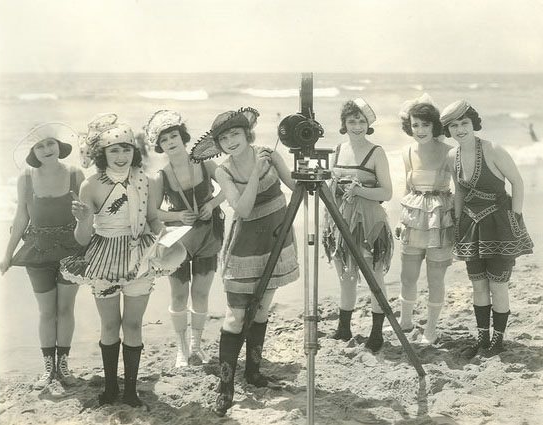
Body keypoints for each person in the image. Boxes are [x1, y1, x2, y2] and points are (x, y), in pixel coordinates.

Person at [60, 113, 184, 407]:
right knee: (109, 325)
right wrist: (83, 219)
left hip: (139, 256)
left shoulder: (147, 180)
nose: (121, 155)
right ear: (102, 154)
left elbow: (153, 218)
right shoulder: (90, 185)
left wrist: (164, 239)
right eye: (113, 150)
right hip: (103, 257)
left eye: (126, 148)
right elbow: (81, 239)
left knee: (133, 325)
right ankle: (111, 388)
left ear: (135, 151)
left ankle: (130, 390)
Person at [190, 107, 299, 417]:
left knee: (262, 309)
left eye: (235, 134)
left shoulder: (269, 153)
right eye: (224, 139)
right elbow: (244, 208)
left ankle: (253, 372)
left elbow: (295, 185)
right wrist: (254, 174)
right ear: (219, 145)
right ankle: (226, 385)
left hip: (277, 236)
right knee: (237, 316)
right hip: (246, 244)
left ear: (246, 133)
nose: (231, 141)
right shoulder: (223, 171)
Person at [441, 100, 533, 358]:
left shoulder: (493, 149)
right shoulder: (452, 155)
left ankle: (498, 340)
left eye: (464, 124)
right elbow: (459, 191)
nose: (460, 130)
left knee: (498, 285)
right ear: (448, 130)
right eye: (454, 126)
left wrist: (515, 217)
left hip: (499, 224)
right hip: (471, 225)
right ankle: (482, 338)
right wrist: (458, 223)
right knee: (478, 285)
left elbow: (517, 183)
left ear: (473, 124)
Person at [0, 123, 84, 390]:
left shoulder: (75, 174)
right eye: (40, 146)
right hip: (37, 249)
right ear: (33, 152)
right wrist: (7, 254)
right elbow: (21, 217)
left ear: (59, 146)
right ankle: (48, 368)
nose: (47, 149)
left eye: (50, 143)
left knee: (66, 309)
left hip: (72, 250)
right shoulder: (25, 177)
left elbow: (88, 215)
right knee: (47, 311)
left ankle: (63, 365)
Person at [146, 110, 225, 368]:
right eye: (165, 139)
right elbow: (152, 213)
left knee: (201, 293)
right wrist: (177, 214)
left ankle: (196, 347)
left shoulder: (204, 163)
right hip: (178, 241)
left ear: (184, 138)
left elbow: (231, 186)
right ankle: (181, 350)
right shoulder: (162, 176)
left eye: (174, 136)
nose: (171, 142)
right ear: (160, 146)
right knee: (179, 296)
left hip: (208, 235)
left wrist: (212, 204)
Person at [322, 98, 393, 353]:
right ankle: (344, 328)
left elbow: (387, 192)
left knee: (374, 276)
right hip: (339, 220)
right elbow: (330, 189)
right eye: (352, 121)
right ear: (344, 124)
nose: (357, 126)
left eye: (362, 121)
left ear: (368, 124)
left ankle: (376, 333)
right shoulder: (338, 150)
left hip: (368, 221)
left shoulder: (377, 152)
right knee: (346, 276)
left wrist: (360, 190)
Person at [395, 94, 454, 344]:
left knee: (435, 278)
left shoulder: (450, 152)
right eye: (415, 125)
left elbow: (458, 190)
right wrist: (400, 220)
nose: (420, 130)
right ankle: (405, 322)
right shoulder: (407, 152)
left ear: (434, 125)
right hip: (412, 218)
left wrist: (458, 221)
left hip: (439, 219)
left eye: (425, 124)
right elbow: (407, 189)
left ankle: (430, 329)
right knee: (407, 276)